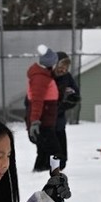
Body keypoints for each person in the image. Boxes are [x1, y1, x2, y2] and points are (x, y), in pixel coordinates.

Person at [25, 44, 61, 172]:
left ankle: (42, 170)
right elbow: (37, 101)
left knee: (44, 150)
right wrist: (35, 121)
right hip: (42, 120)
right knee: (52, 149)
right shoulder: (40, 78)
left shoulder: (45, 75)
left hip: (45, 119)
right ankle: (47, 172)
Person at [51, 52, 81, 170]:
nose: (63, 70)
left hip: (59, 119)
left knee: (61, 148)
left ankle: (60, 166)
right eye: (61, 67)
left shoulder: (67, 78)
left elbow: (76, 95)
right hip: (47, 121)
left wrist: (69, 100)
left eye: (65, 68)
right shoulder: (48, 77)